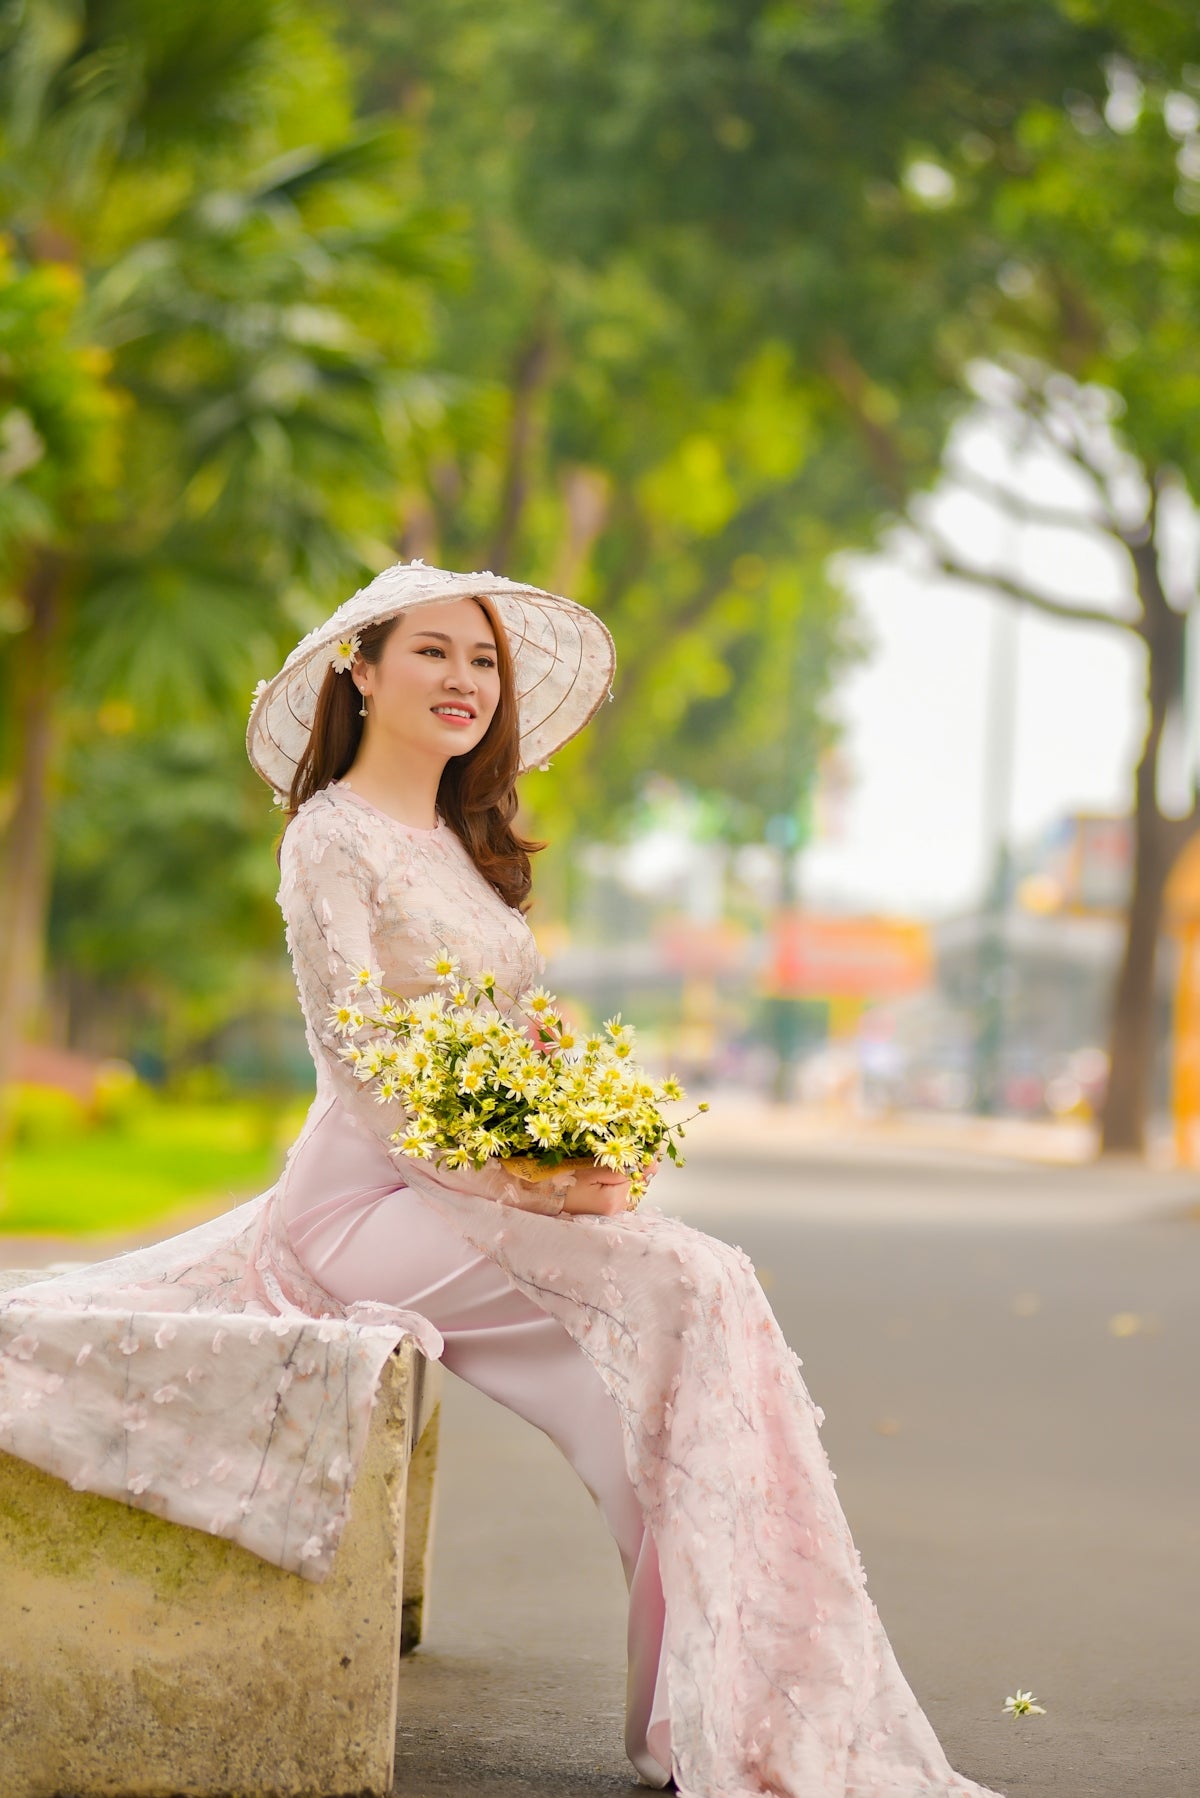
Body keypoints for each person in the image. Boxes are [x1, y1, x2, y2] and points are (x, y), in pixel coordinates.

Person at [0, 560, 1006, 1798]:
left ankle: (721, 1706)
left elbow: (512, 1037)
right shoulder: (330, 839)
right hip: (366, 1203)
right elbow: (368, 1069)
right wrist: (535, 1185)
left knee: (697, 1310)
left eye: (482, 661)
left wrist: (583, 1127)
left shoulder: (462, 845)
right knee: (678, 1288)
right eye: (431, 651)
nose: (463, 679)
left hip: (474, 1183)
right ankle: (700, 1713)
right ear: (359, 672)